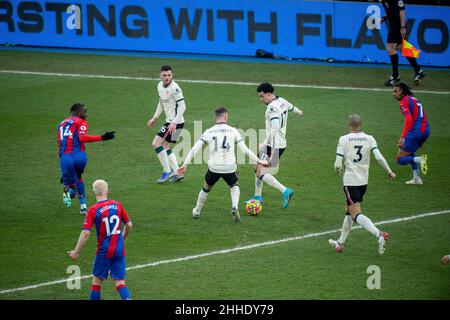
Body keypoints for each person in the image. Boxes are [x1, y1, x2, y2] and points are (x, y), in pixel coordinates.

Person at [177, 107, 269, 222]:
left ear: (216, 117)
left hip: (214, 167)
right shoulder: (233, 131)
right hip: (229, 167)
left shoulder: (209, 131)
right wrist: (260, 161)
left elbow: (194, 149)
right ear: (226, 117)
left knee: (206, 188)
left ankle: (197, 211)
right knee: (234, 185)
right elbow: (245, 150)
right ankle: (234, 207)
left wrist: (185, 165)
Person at [329, 114, 396, 255]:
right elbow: (378, 157)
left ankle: (379, 234)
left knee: (355, 214)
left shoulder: (343, 139)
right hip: (363, 182)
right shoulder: (369, 138)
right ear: (361, 124)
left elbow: (337, 163)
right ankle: (340, 244)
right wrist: (389, 171)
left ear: (349, 125)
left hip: (350, 181)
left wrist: (338, 170)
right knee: (349, 211)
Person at [68, 179, 133, 300]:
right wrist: (122, 237)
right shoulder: (118, 205)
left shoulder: (93, 210)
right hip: (119, 250)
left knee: (97, 282)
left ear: (93, 192)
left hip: (104, 251)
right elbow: (129, 225)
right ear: (107, 191)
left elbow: (86, 233)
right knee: (120, 283)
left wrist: (76, 252)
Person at [250, 82, 303, 209]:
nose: (261, 99)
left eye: (262, 96)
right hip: (277, 143)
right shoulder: (282, 100)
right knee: (256, 165)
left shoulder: (272, 108)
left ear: (269, 94)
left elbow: (275, 127)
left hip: (274, 145)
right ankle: (257, 196)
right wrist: (299, 112)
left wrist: (265, 142)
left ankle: (285, 191)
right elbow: (292, 108)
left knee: (260, 172)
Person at [57, 103, 115, 215]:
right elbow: (82, 138)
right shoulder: (81, 122)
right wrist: (103, 137)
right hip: (80, 156)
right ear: (79, 113)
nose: (86, 115)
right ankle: (83, 207)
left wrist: (62, 162)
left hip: (66, 158)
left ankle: (67, 188)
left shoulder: (61, 124)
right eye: (85, 112)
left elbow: (60, 145)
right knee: (78, 177)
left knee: (70, 189)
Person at [147, 65, 186, 183]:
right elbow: (161, 102)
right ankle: (178, 173)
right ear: (160, 75)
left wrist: (174, 122)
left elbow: (183, 106)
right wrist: (155, 117)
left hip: (174, 122)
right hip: (175, 122)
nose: (167, 77)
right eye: (164, 75)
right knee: (166, 146)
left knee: (156, 143)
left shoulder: (175, 88)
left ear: (172, 75)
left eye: (169, 75)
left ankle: (167, 171)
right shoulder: (159, 86)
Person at [380, 0, 425, 86]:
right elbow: (392, 12)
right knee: (401, 48)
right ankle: (418, 71)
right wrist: (384, 18)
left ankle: (396, 76)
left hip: (398, 26)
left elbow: (401, 12)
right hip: (393, 25)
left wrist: (403, 26)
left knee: (391, 48)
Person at [392, 82, 429, 185]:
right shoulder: (415, 99)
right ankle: (416, 178)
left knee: (400, 159)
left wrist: (403, 137)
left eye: (395, 91)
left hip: (415, 132)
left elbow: (409, 120)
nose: (393, 94)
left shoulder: (403, 102)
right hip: (425, 130)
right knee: (410, 151)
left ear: (401, 91)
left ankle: (420, 159)